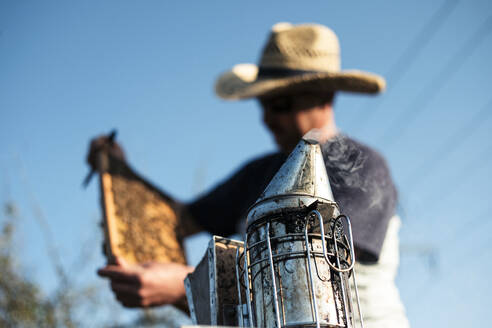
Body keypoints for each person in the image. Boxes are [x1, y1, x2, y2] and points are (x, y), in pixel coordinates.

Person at [97, 22, 410, 327]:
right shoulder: (257, 174)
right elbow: (170, 220)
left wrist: (185, 284)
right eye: (264, 105)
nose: (268, 119)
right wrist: (117, 171)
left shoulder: (359, 166)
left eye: (281, 104)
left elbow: (311, 271)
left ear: (324, 97)